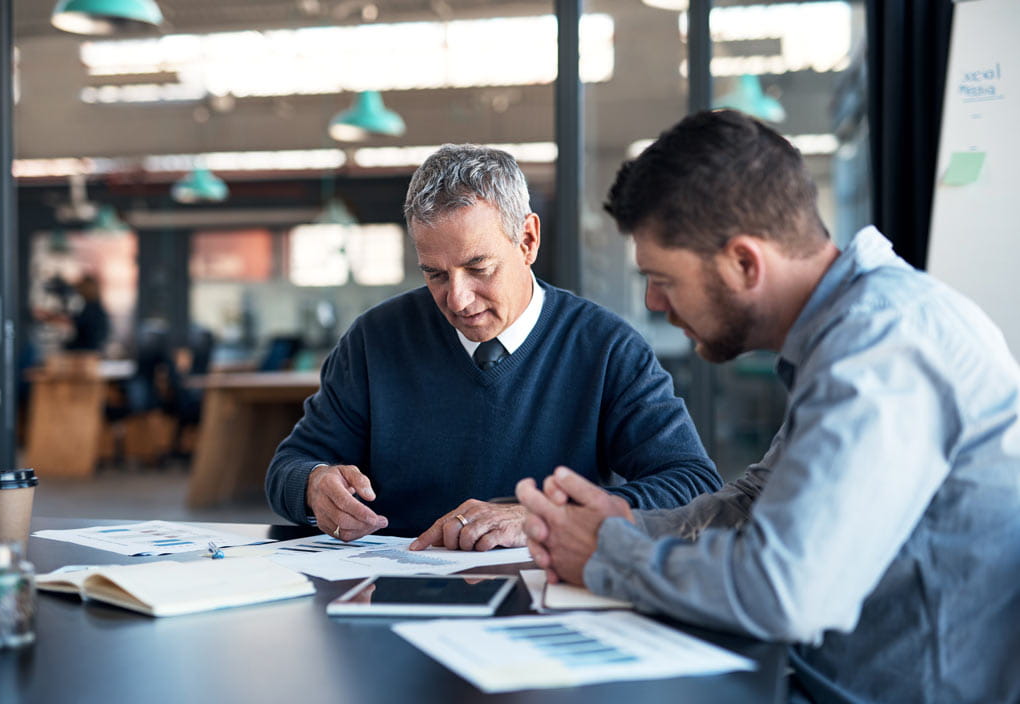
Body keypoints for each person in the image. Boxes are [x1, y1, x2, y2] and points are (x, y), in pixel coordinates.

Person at [516, 109, 1020, 703]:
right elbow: (759, 500)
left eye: (662, 278)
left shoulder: (883, 348)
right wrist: (630, 526)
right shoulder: (849, 329)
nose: (653, 302)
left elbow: (788, 591)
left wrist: (609, 554)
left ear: (745, 263)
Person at [266, 143, 721, 550]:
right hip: (394, 593)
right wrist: (313, 485)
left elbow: (692, 485)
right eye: (435, 275)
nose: (458, 300)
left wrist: (546, 518)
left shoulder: (605, 348)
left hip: (544, 598)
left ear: (527, 241)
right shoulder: (375, 340)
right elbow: (289, 466)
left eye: (478, 267)